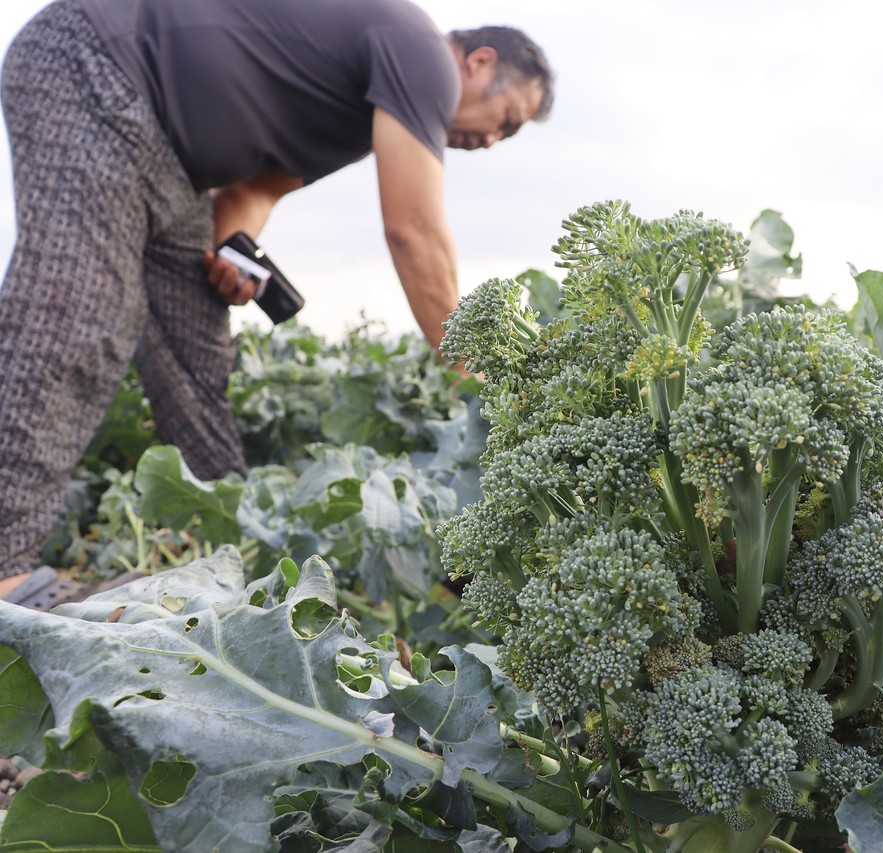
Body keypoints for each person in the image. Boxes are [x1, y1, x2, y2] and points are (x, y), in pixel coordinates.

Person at [0, 0, 553, 603]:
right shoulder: (424, 54)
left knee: (198, 353)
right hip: (97, 63)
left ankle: (234, 568)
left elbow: (253, 193)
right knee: (81, 313)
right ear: (479, 62)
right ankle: (7, 570)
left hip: (171, 157)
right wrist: (469, 368)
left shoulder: (352, 119)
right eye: (508, 119)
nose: (494, 141)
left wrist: (228, 259)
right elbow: (413, 231)